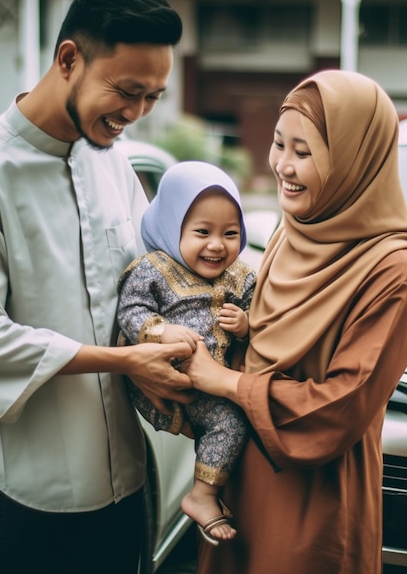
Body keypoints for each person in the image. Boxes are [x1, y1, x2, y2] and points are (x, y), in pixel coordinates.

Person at [0, 0, 193, 574]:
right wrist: (124, 362)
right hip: (20, 491)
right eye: (126, 91)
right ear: (68, 58)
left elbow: (145, 279)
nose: (136, 114)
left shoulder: (115, 163)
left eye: (152, 96)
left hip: (125, 479)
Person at [183, 70, 407, 574]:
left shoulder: (395, 273)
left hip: (315, 493)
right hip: (239, 476)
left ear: (354, 161)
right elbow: (258, 336)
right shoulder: (291, 231)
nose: (283, 166)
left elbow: (339, 409)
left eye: (305, 151)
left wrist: (227, 382)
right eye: (279, 144)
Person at [117, 160, 256, 545]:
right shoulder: (153, 269)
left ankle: (203, 492)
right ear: (171, 225)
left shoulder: (241, 275)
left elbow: (262, 313)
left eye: (230, 232)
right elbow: (130, 312)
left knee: (232, 422)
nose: (217, 244)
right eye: (201, 232)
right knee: (231, 422)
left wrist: (246, 323)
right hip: (159, 384)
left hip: (213, 387)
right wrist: (160, 330)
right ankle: (205, 495)